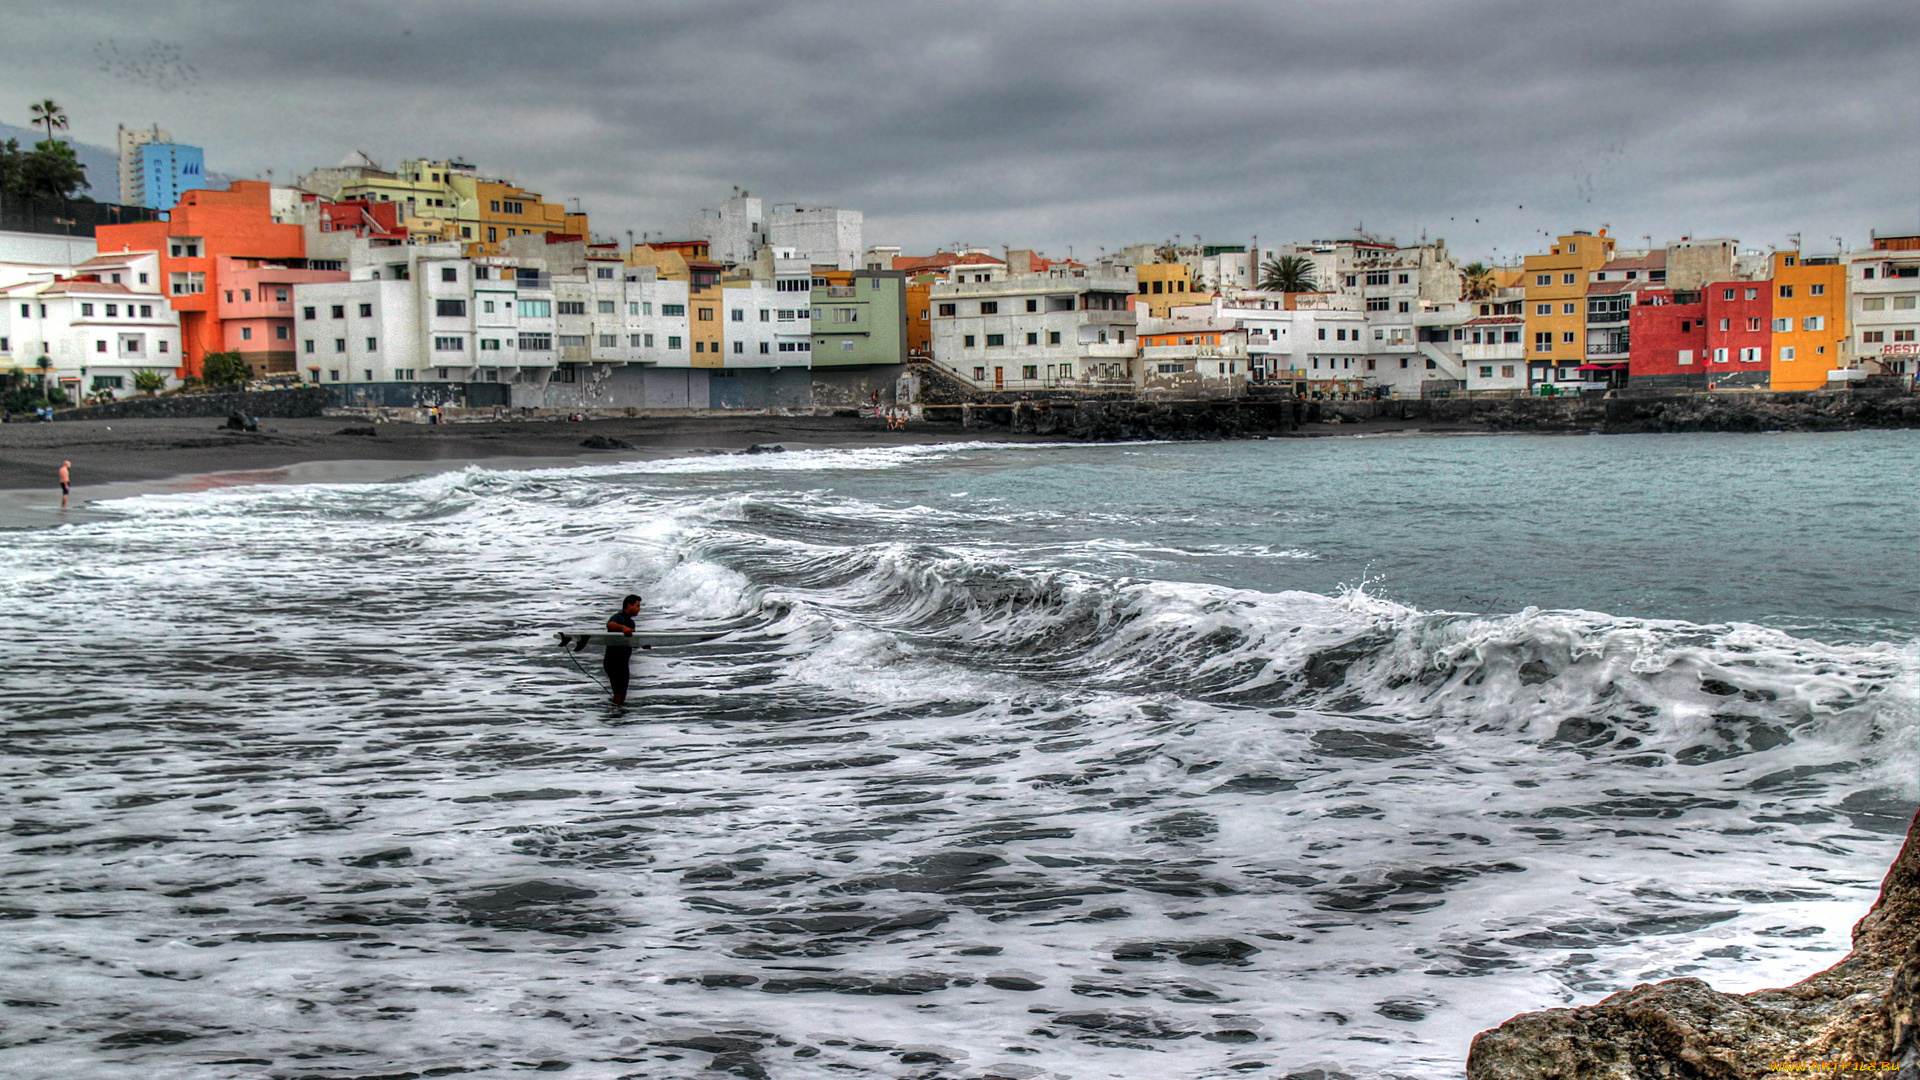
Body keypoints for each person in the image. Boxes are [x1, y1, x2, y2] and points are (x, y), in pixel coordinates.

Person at [603, 593, 651, 705]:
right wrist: (622, 628)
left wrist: (641, 645)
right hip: (613, 661)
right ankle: (616, 715)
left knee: (621, 693)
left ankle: (617, 713)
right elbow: (610, 625)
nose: (639, 609)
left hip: (623, 662)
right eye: (638, 606)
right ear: (629, 605)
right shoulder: (618, 616)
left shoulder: (631, 622)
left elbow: (629, 642)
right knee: (619, 692)